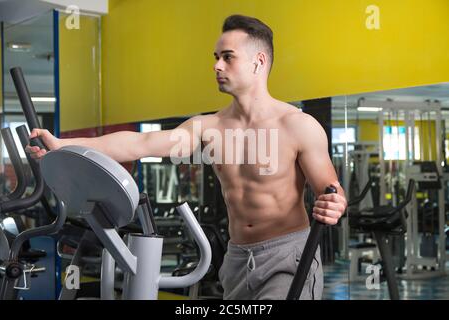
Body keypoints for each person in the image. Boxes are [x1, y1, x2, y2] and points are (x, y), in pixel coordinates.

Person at [27, 14, 347, 300]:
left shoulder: (298, 126)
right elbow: (141, 143)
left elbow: (330, 189)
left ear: (258, 62)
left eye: (228, 57)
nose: (217, 66)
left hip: (286, 255)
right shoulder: (210, 127)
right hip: (236, 258)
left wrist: (333, 204)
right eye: (216, 57)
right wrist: (62, 145)